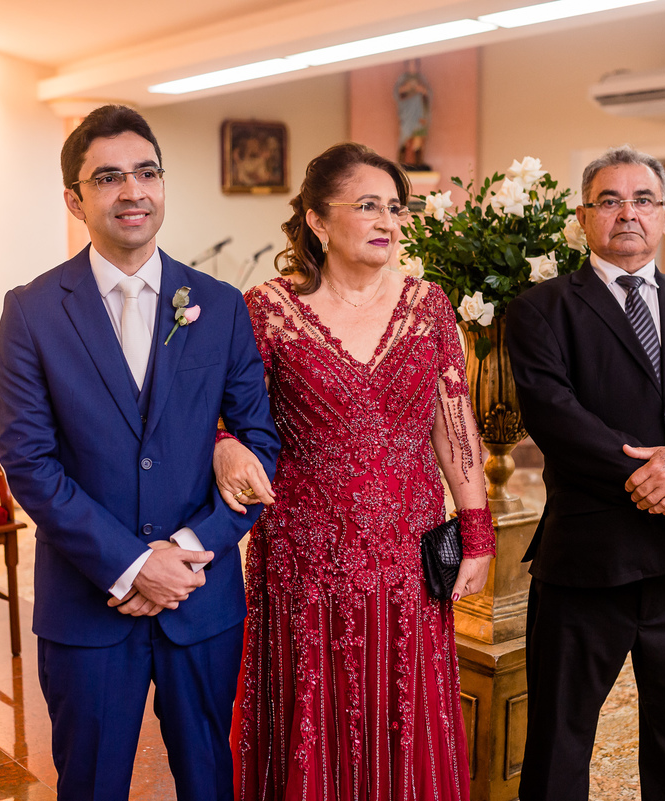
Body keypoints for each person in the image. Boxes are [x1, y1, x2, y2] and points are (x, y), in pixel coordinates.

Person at [0, 104, 279, 801]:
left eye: (147, 172)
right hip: (89, 604)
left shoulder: (217, 304)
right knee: (90, 786)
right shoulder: (31, 311)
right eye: (110, 177)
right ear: (75, 197)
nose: (133, 191)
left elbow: (259, 445)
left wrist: (182, 551)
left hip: (201, 597)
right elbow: (30, 460)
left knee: (211, 781)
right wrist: (130, 565)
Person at [220, 142, 496, 800]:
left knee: (406, 710)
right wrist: (222, 443)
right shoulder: (267, 308)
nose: (388, 221)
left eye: (395, 208)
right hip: (303, 560)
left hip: (407, 556)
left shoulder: (429, 307)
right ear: (317, 219)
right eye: (367, 205)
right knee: (310, 710)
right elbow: (226, 411)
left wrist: (478, 527)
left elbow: (454, 426)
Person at [506, 145, 665, 801]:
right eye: (610, 200)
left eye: (643, 199)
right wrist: (656, 478)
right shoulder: (542, 309)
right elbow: (555, 414)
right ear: (584, 216)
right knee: (558, 750)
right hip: (587, 566)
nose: (629, 213)